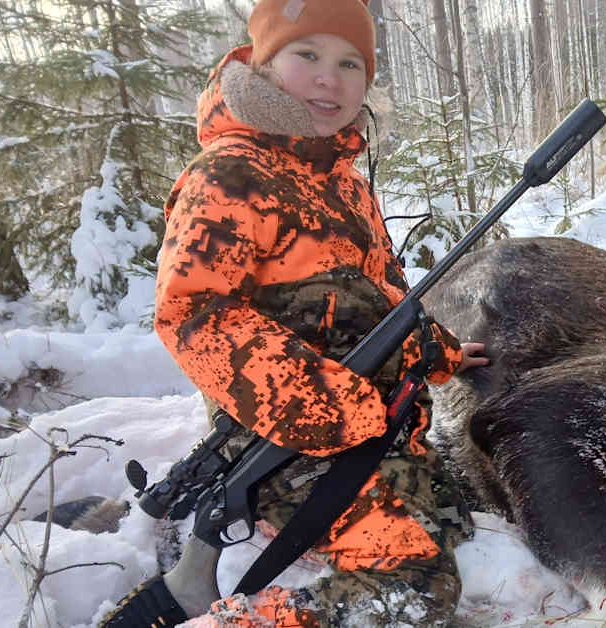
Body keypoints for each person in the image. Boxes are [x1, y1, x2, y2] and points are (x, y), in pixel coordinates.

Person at [102, 0, 488, 624]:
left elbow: (383, 298)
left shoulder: (344, 181)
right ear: (263, 62)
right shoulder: (229, 175)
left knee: (456, 519)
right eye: (306, 55)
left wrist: (440, 350)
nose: (329, 78)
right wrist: (319, 404)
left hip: (372, 415)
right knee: (415, 590)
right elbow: (194, 314)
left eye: (349, 63)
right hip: (288, 432)